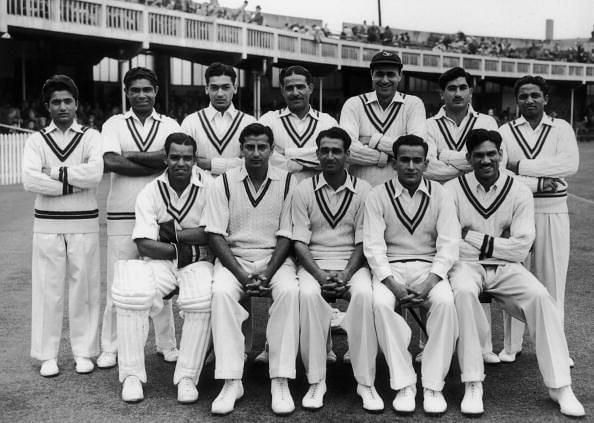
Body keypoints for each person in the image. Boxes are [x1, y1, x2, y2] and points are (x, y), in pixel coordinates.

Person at [445, 129, 584, 417]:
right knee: (464, 292)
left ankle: (560, 386)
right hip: (466, 267)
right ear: (469, 159)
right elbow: (449, 243)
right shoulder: (452, 190)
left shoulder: (519, 190)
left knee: (541, 298)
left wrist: (473, 237)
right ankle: (473, 381)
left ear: (501, 155)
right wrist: (498, 243)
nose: (486, 161)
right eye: (479, 155)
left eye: (491, 154)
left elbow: (521, 249)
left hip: (507, 267)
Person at [203, 123, 299, 415]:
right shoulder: (223, 182)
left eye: (262, 147)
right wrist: (243, 275)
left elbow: (287, 234)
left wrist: (268, 273)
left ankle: (280, 378)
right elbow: (215, 234)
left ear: (272, 149)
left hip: (275, 260)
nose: (256, 153)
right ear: (240, 149)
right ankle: (232, 379)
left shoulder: (288, 181)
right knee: (221, 292)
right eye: (250, 147)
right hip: (236, 260)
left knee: (290, 291)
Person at [112, 133, 213, 404]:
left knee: (201, 299)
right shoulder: (150, 191)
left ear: (194, 160)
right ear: (165, 158)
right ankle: (132, 376)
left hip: (201, 262)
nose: (181, 162)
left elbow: (213, 233)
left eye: (187, 157)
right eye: (175, 157)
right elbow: (145, 245)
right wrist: (189, 242)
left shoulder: (210, 186)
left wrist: (170, 232)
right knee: (133, 293)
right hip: (166, 262)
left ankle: (187, 377)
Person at [363, 135, 459, 415]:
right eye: (404, 159)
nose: (411, 165)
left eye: (418, 160)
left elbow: (449, 243)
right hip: (390, 270)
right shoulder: (377, 195)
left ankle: (433, 385)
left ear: (426, 163)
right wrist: (392, 284)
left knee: (445, 303)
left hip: (429, 269)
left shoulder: (441, 194)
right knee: (380, 304)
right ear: (394, 163)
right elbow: (373, 246)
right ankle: (404, 383)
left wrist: (431, 281)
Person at [292, 127, 381, 412]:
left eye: (337, 151)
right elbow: (299, 242)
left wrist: (345, 274)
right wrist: (319, 275)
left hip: (352, 265)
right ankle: (316, 380)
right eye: (324, 151)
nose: (330, 156)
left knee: (366, 296)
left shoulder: (365, 190)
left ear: (347, 156)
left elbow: (364, 240)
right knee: (307, 295)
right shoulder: (303, 188)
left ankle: (366, 381)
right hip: (313, 263)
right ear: (317, 155)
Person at [98, 67, 181, 369]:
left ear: (156, 91)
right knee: (118, 282)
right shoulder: (114, 123)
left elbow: (171, 159)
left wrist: (131, 156)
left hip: (162, 213)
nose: (142, 95)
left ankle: (166, 344)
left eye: (147, 89)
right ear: (127, 93)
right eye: (135, 90)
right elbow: (109, 160)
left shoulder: (170, 123)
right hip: (121, 213)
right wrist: (156, 162)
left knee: (161, 281)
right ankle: (111, 346)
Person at [22, 75, 103, 377]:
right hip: (47, 224)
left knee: (84, 287)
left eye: (68, 101)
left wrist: (53, 173)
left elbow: (94, 175)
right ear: (47, 106)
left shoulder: (91, 137)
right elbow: (31, 180)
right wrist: (73, 182)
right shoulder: (36, 140)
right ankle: (47, 355)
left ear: (77, 104)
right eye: (56, 102)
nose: (62, 106)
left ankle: (84, 352)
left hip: (84, 222)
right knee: (48, 288)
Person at [498, 76, 579, 364]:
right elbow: (499, 172)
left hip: (552, 212)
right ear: (516, 100)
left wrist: (520, 166)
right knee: (513, 277)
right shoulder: (505, 131)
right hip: (515, 211)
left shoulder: (561, 128)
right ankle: (511, 345)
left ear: (545, 98)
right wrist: (541, 183)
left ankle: (556, 346)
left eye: (535, 95)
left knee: (552, 279)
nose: (529, 101)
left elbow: (569, 164)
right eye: (523, 96)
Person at [424, 66, 500, 364]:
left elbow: (490, 163)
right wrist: (467, 163)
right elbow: (426, 166)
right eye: (451, 88)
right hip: (436, 202)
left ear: (471, 91)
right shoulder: (429, 125)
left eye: (462, 88)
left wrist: (445, 157)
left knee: (475, 266)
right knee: (437, 267)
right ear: (442, 93)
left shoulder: (487, 121)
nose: (457, 93)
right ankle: (427, 344)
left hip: (477, 202)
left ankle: (483, 346)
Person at [340, 50, 426, 187]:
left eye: (390, 74)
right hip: (360, 190)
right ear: (372, 75)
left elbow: (416, 149)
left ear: (400, 76)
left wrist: (374, 140)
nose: (385, 80)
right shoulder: (354, 104)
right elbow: (346, 150)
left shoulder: (413, 104)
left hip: (400, 191)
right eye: (380, 74)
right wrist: (389, 156)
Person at [259, 65, 337, 182]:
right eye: (290, 88)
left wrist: (286, 153)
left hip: (318, 193)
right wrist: (313, 159)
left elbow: (335, 157)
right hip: (279, 193)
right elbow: (262, 157)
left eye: (300, 87)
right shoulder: (268, 120)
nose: (295, 93)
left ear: (310, 88)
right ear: (282, 90)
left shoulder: (327, 122)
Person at [181, 62, 256, 176]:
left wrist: (210, 164)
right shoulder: (191, 122)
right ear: (206, 89)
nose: (220, 94)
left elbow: (254, 163)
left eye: (226, 87)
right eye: (214, 88)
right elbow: (184, 161)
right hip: (202, 190)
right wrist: (236, 163)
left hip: (238, 190)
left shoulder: (249, 122)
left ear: (235, 88)